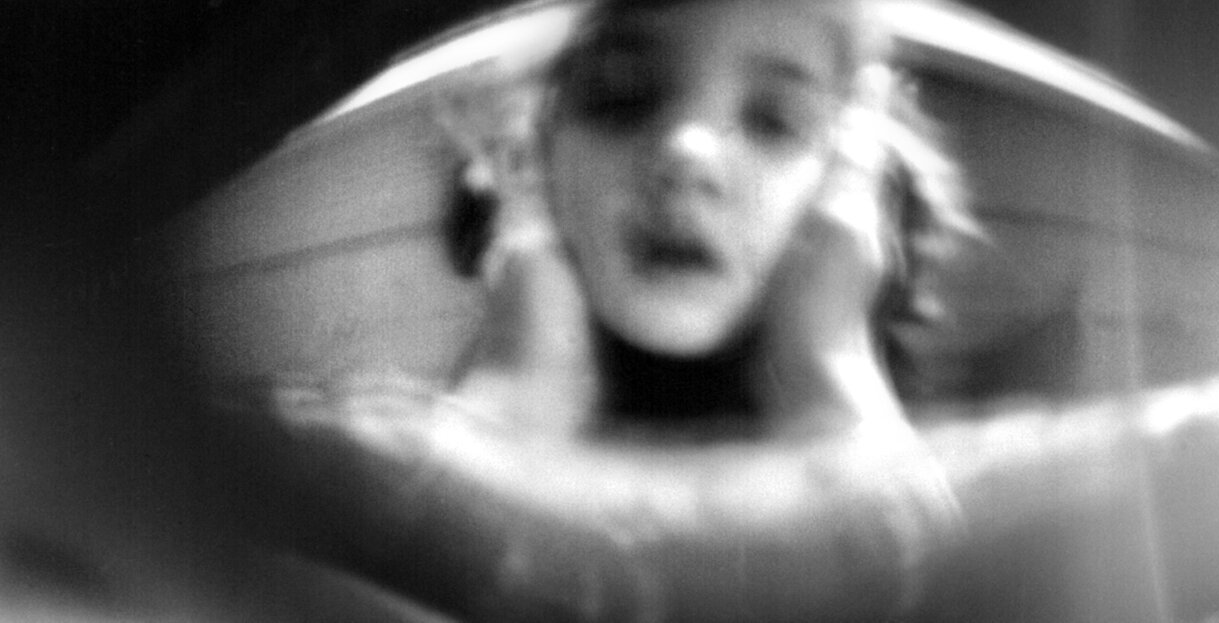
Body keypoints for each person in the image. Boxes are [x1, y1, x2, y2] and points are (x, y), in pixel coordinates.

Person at [275, 0, 976, 619]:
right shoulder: (353, 463)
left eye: (774, 120)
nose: (688, 153)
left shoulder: (889, 440)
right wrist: (523, 383)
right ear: (531, 159)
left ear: (849, 190)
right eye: (622, 97)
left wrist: (825, 370)